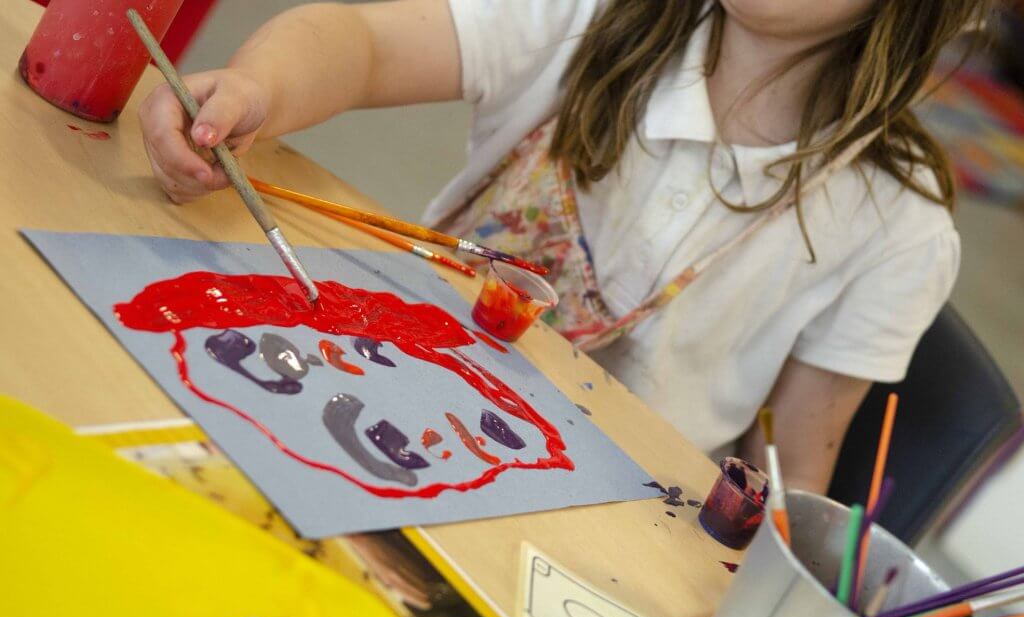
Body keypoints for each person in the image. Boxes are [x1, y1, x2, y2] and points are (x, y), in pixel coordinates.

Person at [138, 0, 988, 492]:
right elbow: (362, 44)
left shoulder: (899, 227)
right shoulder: (591, 17)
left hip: (607, 520)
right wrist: (259, 87)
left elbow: (793, 475)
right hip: (369, 390)